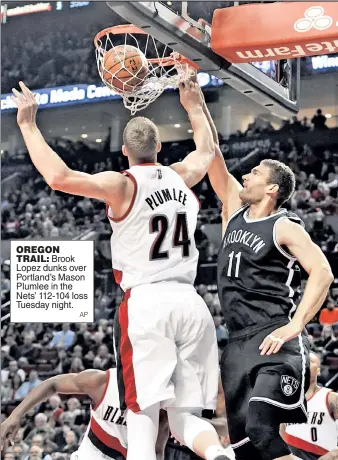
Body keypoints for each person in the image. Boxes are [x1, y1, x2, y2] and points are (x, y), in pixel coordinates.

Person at [11, 80, 229, 460]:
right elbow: (207, 149)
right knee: (184, 419)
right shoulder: (181, 174)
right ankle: (220, 456)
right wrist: (193, 104)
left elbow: (59, 178)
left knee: (141, 417)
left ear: (125, 151)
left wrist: (28, 126)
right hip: (192, 302)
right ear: (159, 147)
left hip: (147, 303)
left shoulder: (121, 184)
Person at [200, 90, 334, 460]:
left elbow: (322, 271)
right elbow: (212, 153)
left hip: (274, 339)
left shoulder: (284, 225)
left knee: (261, 427)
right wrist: (193, 99)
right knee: (247, 449)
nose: (245, 174)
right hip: (237, 343)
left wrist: (295, 326)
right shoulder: (233, 213)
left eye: (255, 173)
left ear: (271, 189)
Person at [0, 368, 167, 460]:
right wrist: (16, 414)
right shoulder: (101, 382)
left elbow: (157, 450)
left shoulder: (162, 405)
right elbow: (53, 383)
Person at [281, 352, 338, 460]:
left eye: (310, 361)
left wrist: (333, 454)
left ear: (318, 371)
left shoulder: (332, 398)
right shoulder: (284, 401)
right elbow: (280, 438)